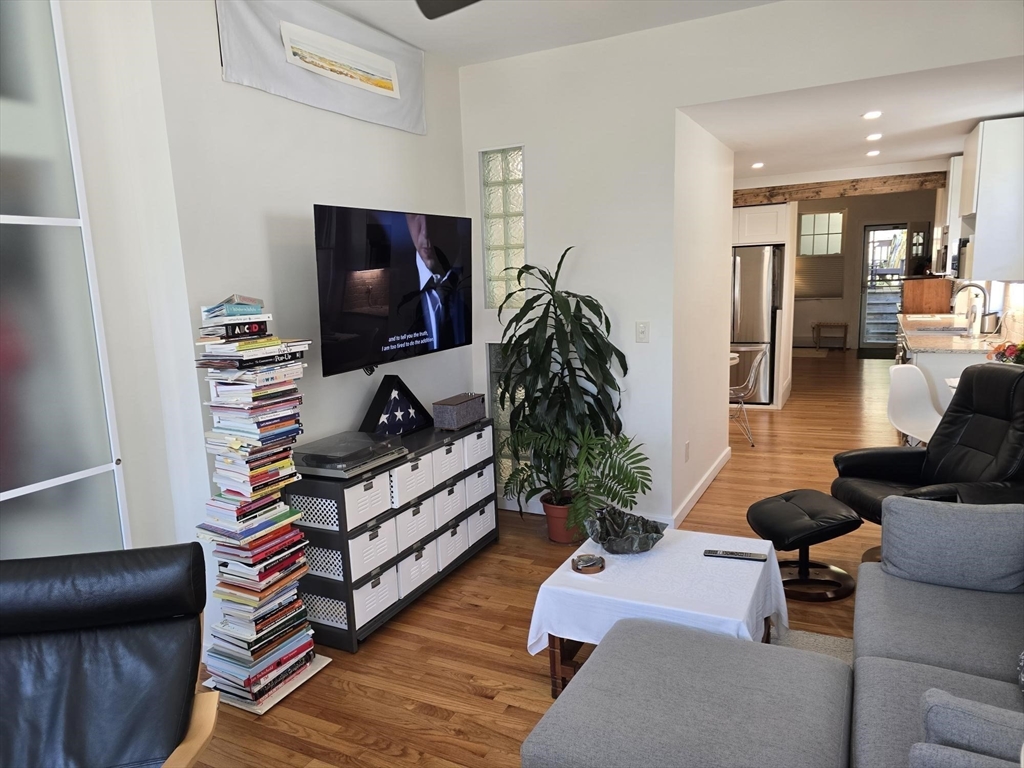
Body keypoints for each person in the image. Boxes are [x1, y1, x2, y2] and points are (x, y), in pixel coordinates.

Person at [396, 213, 469, 351]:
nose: (425, 232)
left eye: (434, 218)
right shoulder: (395, 287)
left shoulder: (478, 267)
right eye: (414, 215)